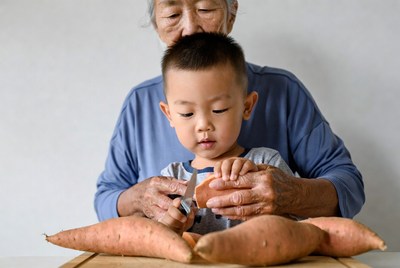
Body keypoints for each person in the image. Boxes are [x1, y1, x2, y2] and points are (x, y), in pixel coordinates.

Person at [94, 0, 365, 223]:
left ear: (231, 13)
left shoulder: (283, 90)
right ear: (156, 25)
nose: (190, 29)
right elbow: (106, 199)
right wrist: (138, 200)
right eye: (173, 14)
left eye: (205, 9)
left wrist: (292, 194)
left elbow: (349, 187)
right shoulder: (139, 102)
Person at [157, 32, 294, 235]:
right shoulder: (172, 179)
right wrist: (171, 225)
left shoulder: (265, 163)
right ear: (169, 115)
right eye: (187, 113)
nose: (203, 125)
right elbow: (156, 239)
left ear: (246, 107)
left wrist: (255, 187)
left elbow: (296, 224)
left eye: (219, 110)